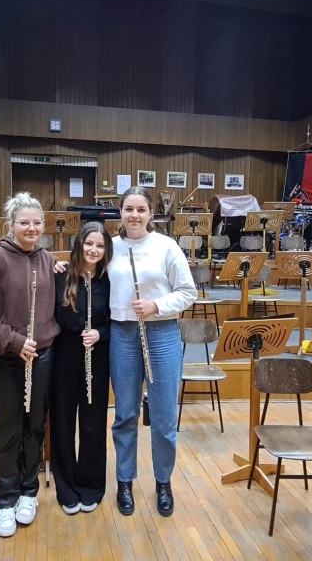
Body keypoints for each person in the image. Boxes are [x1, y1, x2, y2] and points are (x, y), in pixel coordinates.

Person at [0, 192, 59, 538]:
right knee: (7, 429)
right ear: (11, 225)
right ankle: (5, 500)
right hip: (4, 360)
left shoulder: (48, 261)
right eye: (24, 222)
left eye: (37, 222)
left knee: (34, 427)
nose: (31, 228)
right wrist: (15, 342)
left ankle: (28, 492)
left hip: (42, 358)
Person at [108, 186, 197, 517]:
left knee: (163, 417)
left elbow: (188, 292)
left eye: (141, 209)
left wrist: (155, 305)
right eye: (129, 209)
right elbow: (87, 275)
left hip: (161, 334)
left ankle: (163, 482)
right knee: (125, 415)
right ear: (121, 212)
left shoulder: (166, 246)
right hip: (122, 334)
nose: (134, 215)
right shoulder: (110, 247)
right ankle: (125, 481)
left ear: (150, 214)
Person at [50, 222, 113, 514]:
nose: (94, 250)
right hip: (64, 353)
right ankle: (66, 488)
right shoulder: (61, 275)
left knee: (93, 423)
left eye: (100, 246)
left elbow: (117, 320)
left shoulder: (108, 281)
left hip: (97, 354)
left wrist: (100, 333)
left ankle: (91, 486)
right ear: (79, 244)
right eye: (89, 244)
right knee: (62, 422)